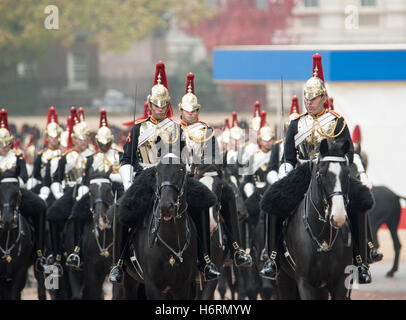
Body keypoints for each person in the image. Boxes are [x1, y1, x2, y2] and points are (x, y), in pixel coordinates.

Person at [260, 53, 373, 284]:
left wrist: (341, 165)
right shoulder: (296, 123)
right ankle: (272, 258)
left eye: (313, 98)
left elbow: (349, 152)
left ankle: (362, 259)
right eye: (306, 98)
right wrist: (284, 172)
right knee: (272, 199)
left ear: (324, 98)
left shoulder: (337, 121)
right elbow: (289, 157)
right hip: (303, 173)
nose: (308, 102)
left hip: (332, 173)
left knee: (361, 199)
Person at [109, 61, 179, 283]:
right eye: (156, 105)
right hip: (145, 179)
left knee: (201, 204)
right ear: (149, 105)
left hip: (170, 179)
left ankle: (204, 260)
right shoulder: (138, 129)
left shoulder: (175, 129)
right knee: (123, 209)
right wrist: (130, 183)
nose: (159, 109)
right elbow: (127, 159)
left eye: (163, 105)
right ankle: (118, 263)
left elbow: (183, 158)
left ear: (167, 105)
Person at [179, 72, 252, 280]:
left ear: (198, 111)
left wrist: (201, 169)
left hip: (204, 178)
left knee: (229, 195)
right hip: (181, 180)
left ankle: (236, 248)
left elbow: (215, 159)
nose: (190, 114)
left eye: (194, 111)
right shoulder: (173, 131)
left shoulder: (208, 132)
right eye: (187, 110)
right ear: (181, 111)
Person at [66, 109, 123, 268]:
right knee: (77, 212)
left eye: (107, 142)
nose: (104, 146)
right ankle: (77, 251)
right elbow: (85, 179)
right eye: (101, 143)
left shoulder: (118, 154)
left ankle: (127, 250)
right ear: (97, 142)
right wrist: (83, 188)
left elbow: (124, 176)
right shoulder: (91, 159)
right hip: (95, 193)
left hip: (115, 192)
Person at [46, 107, 93, 271]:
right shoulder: (66, 157)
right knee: (52, 214)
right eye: (79, 139)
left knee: (81, 214)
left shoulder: (93, 155)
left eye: (85, 138)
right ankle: (57, 254)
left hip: (88, 192)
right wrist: (59, 193)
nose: (82, 141)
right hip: (69, 192)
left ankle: (78, 251)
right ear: (73, 139)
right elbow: (56, 178)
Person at [0, 109, 47, 272]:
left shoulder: (17, 156)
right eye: (1, 144)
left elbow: (24, 177)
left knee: (40, 206)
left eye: (6, 144)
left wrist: (11, 181)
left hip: (15, 191)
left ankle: (40, 253)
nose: (3, 147)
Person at [351, 124, 383, 264]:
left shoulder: (359, 156)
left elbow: (363, 170)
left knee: (362, 209)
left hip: (354, 183)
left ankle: (369, 248)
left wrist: (364, 181)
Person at [27, 107, 63, 203]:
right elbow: (36, 174)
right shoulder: (41, 155)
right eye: (51, 137)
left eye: (56, 137)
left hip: (60, 185)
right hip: (42, 185)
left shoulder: (63, 155)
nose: (54, 139)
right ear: (47, 137)